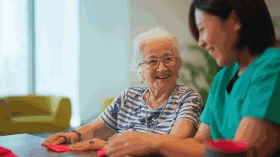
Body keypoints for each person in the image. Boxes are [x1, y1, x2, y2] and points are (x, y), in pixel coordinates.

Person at [105, 0, 280, 156]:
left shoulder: (273, 66)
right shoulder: (222, 78)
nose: (201, 42)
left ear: (234, 20)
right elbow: (198, 143)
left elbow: (242, 151)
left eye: (202, 29)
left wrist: (154, 143)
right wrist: (126, 145)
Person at [41, 28, 203, 151]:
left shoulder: (189, 99)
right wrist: (69, 136)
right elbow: (95, 129)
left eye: (168, 59)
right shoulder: (129, 96)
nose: (161, 68)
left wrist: (109, 145)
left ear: (179, 64)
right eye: (152, 61)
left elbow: (175, 143)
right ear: (140, 70)